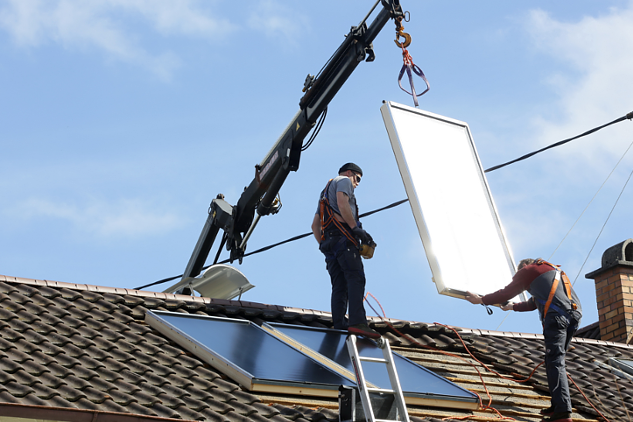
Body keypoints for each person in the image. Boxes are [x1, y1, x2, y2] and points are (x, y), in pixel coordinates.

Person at [465, 258, 582, 422]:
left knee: (554, 361)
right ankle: (558, 405)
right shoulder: (551, 272)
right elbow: (533, 303)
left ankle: (562, 412)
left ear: (524, 267)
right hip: (573, 315)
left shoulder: (527, 271)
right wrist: (512, 307)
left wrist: (481, 300)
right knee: (554, 361)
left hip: (557, 317)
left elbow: (506, 292)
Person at [311, 163, 380, 339]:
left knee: (339, 286)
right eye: (357, 179)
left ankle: (340, 325)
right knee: (356, 278)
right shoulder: (343, 181)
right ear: (350, 173)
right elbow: (343, 205)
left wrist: (325, 245)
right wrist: (356, 229)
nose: (356, 184)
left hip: (330, 245)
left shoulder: (324, 194)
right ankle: (357, 323)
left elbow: (315, 226)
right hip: (344, 243)